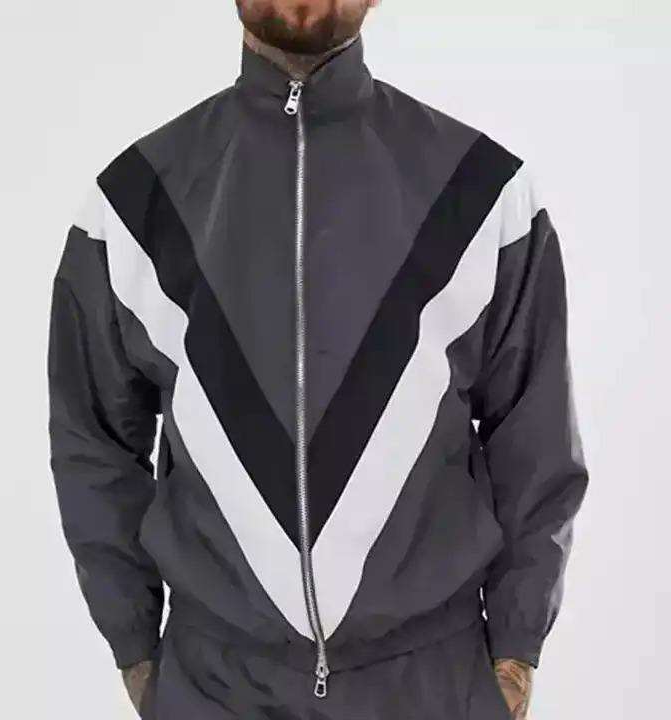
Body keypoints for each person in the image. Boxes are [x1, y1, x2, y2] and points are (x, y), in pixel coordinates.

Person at [47, 1, 589, 718]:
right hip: (215, 686)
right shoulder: (132, 204)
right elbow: (93, 442)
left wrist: (516, 650)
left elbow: (535, 438)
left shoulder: (484, 193)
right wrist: (136, 647)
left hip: (431, 684)